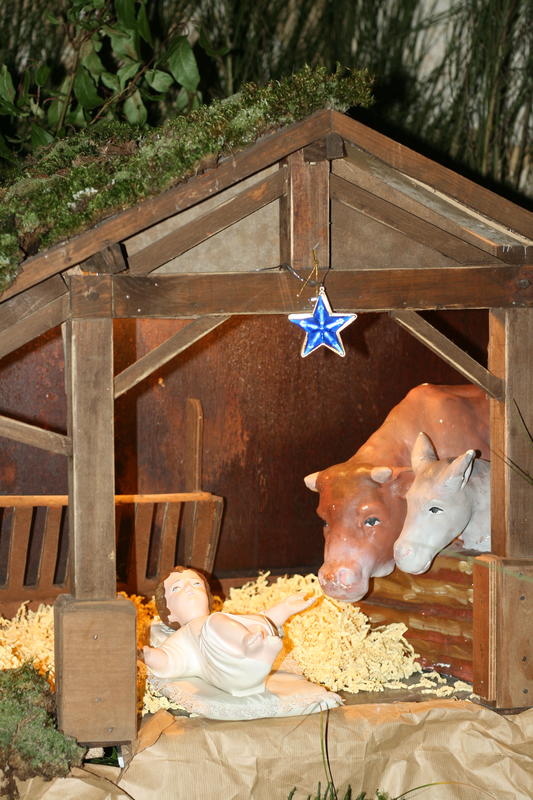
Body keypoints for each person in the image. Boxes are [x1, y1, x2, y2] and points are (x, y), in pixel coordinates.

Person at [143, 566, 316, 696]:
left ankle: (257, 651)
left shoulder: (224, 620)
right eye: (177, 588)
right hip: (225, 672)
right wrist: (149, 656)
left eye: (196, 584)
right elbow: (169, 659)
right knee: (218, 621)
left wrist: (285, 607)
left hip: (250, 669)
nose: (190, 587)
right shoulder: (186, 634)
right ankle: (251, 647)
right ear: (170, 614)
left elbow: (265, 618)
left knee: (247, 622)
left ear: (209, 599)